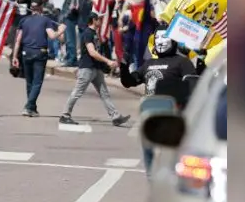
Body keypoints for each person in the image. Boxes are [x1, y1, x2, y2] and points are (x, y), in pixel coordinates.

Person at [119, 32, 204, 175]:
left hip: (173, 115)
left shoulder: (181, 62)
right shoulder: (149, 63)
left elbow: (193, 85)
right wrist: (123, 66)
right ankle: (152, 179)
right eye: (156, 37)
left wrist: (200, 62)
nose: (160, 41)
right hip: (151, 115)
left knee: (172, 154)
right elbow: (129, 82)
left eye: (164, 36)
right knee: (149, 152)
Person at [58, 12, 131, 127]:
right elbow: (92, 52)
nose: (101, 21)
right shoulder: (87, 33)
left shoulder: (94, 33)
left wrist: (104, 65)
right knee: (77, 92)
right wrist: (107, 61)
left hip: (96, 69)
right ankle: (65, 115)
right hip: (87, 68)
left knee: (104, 93)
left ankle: (115, 116)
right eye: (99, 19)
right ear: (94, 20)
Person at [12, 0, 66, 116]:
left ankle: (32, 107)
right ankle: (28, 107)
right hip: (39, 53)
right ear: (41, 7)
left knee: (29, 82)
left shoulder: (24, 21)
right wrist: (61, 30)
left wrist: (14, 57)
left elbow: (17, 40)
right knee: (37, 82)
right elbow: (52, 36)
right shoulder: (46, 20)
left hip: (26, 52)